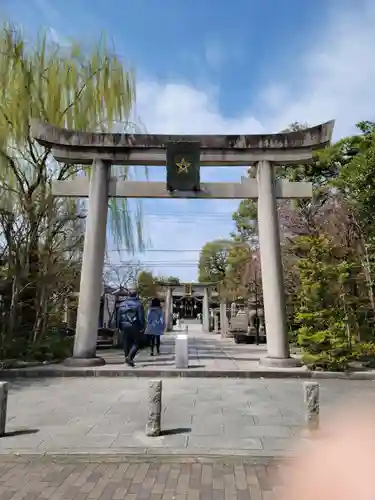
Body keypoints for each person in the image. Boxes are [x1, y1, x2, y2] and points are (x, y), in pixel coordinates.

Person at [116, 289, 145, 367]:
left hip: (123, 325)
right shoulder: (139, 304)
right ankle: (129, 357)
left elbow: (118, 317)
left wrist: (118, 327)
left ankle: (126, 359)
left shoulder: (122, 304)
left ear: (128, 294)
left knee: (126, 342)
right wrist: (142, 327)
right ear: (136, 295)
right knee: (137, 343)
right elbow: (141, 317)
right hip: (134, 325)